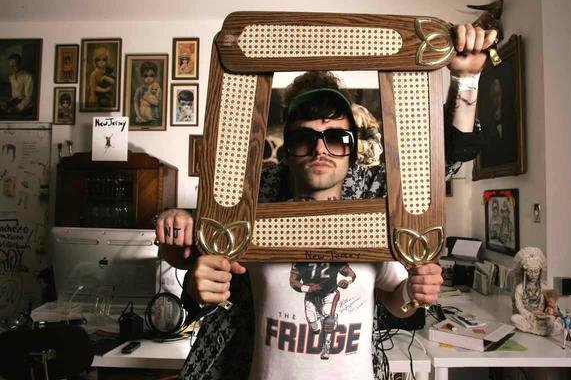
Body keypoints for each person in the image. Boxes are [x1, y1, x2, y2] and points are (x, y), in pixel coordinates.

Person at [157, 23, 497, 380]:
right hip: (243, 354)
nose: (320, 150)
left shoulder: (371, 189)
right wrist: (179, 228)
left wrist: (467, 79)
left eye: (335, 138)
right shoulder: (253, 190)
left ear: (352, 148)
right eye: (304, 138)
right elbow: (201, 248)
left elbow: (440, 162)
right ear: (288, 147)